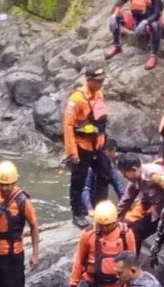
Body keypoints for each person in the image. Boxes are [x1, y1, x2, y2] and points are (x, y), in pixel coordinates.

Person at [68, 200, 137, 287]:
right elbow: (79, 260)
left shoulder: (126, 234)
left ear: (115, 222)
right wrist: (73, 285)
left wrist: (133, 286)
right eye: (100, 225)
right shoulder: (88, 234)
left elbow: (132, 261)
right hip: (91, 283)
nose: (104, 228)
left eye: (107, 225)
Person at [64, 63, 111, 229]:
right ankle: (78, 214)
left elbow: (101, 120)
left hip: (96, 145)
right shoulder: (76, 99)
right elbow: (68, 125)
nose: (100, 84)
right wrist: (72, 151)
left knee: (105, 173)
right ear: (89, 80)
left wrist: (102, 138)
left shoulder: (99, 95)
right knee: (78, 180)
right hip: (81, 145)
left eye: (102, 81)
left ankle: (101, 209)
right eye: (97, 81)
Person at [117, 153, 164, 247]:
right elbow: (126, 201)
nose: (123, 176)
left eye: (124, 173)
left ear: (133, 169)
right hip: (157, 212)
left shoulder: (154, 175)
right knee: (133, 234)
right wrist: (114, 221)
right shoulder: (136, 180)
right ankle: (131, 260)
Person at [105, 0, 164, 70]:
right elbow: (119, 3)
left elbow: (157, 13)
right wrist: (114, 16)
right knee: (117, 17)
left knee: (155, 25)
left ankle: (153, 55)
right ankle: (116, 44)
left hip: (150, 21)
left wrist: (146, 22)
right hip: (135, 21)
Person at [82, 138, 127, 213]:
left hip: (101, 204)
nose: (115, 154)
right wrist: (89, 208)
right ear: (108, 151)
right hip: (86, 205)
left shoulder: (110, 167)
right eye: (114, 151)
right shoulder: (90, 167)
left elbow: (119, 186)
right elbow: (85, 189)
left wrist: (125, 205)